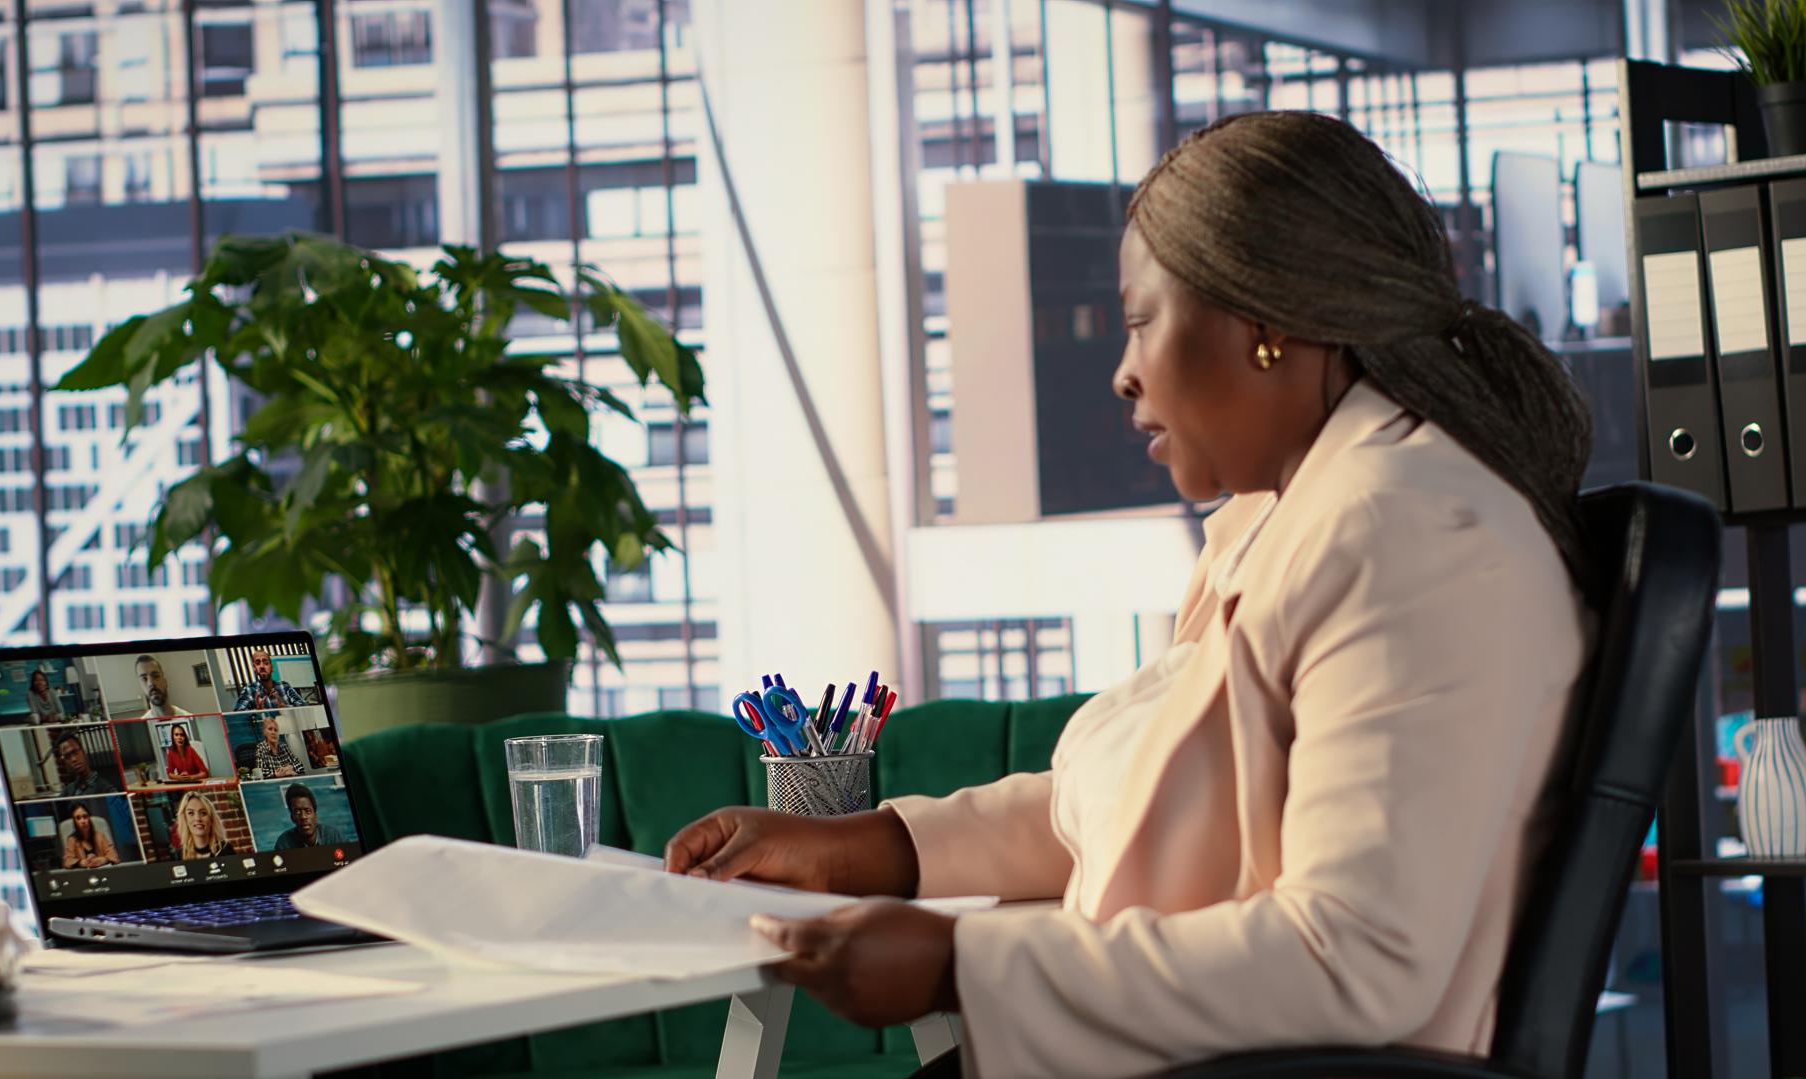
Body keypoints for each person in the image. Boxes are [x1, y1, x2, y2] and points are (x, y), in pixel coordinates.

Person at [664, 112, 1593, 1077]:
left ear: (1265, 324)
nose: (1122, 371)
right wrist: (861, 849)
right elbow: (1143, 809)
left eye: (1143, 320)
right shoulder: (1299, 521)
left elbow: (1355, 957)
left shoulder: (1400, 536)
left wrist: (957, 962)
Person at [273, 784, 345, 851]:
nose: (303, 817)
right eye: (297, 812)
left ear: (316, 815)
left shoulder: (334, 836)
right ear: (292, 817)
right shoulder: (284, 844)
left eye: (308, 811)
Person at [232, 651, 307, 712]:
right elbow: (238, 713)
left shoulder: (285, 686)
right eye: (258, 663)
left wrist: (286, 707)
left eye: (266, 663)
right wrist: (257, 711)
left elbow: (304, 706)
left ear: (272, 668)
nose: (262, 666)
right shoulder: (249, 690)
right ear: (255, 669)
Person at [51, 731, 118, 797]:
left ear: (83, 751)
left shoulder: (106, 788)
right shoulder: (69, 791)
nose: (73, 759)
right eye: (67, 756)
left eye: (75, 752)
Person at [174, 790, 233, 860]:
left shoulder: (225, 849)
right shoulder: (180, 855)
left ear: (211, 819)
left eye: (203, 813)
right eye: (191, 813)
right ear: (185, 819)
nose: (198, 818)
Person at [60, 802, 119, 870]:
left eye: (85, 816)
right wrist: (81, 862)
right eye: (78, 818)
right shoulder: (72, 840)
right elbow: (67, 861)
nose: (83, 821)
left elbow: (114, 856)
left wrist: (104, 860)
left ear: (89, 817)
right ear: (74, 822)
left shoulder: (100, 836)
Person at [251, 715, 305, 779]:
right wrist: (278, 774)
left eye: (276, 730)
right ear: (264, 732)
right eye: (270, 729)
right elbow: (261, 772)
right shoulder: (261, 748)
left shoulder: (284, 746)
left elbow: (300, 765)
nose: (273, 732)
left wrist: (291, 767)